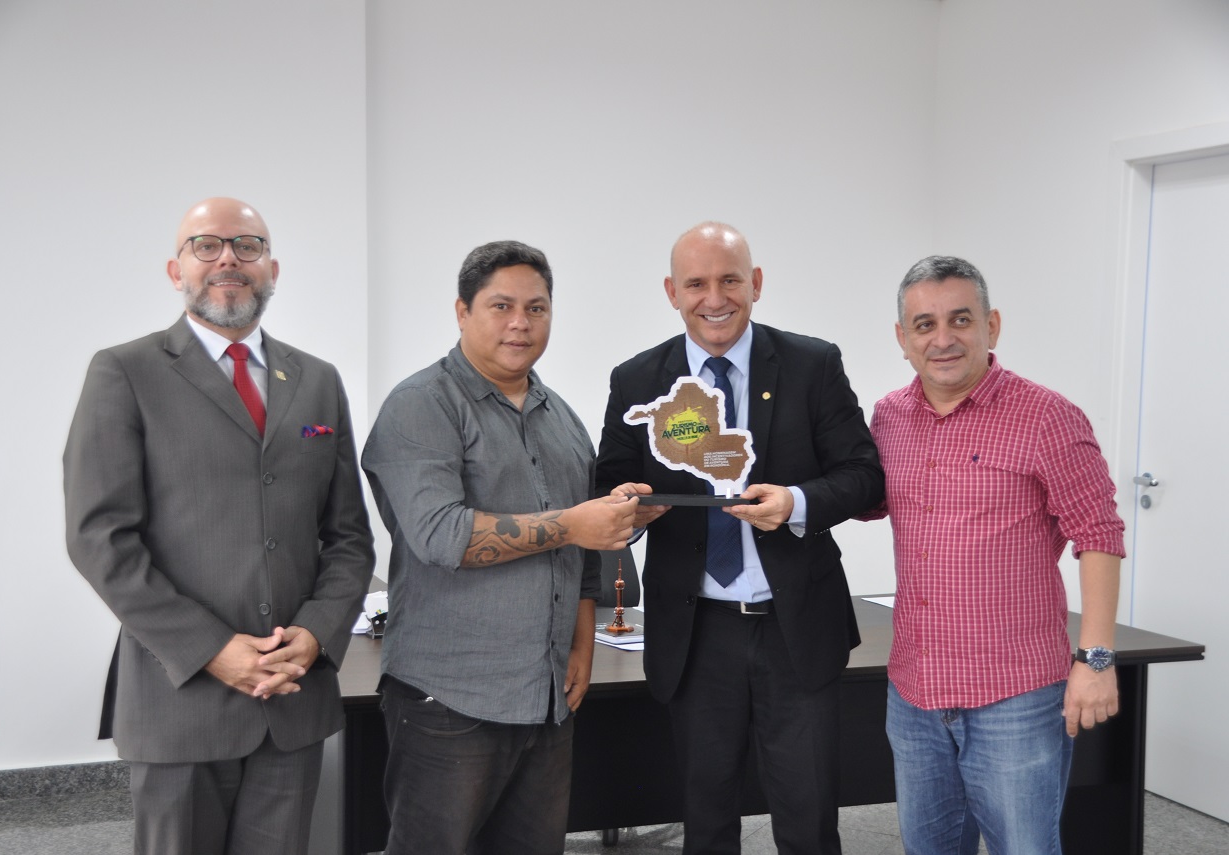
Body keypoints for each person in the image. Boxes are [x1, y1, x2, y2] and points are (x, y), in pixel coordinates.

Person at [63, 197, 375, 855]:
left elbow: (349, 536)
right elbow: (101, 539)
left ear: (272, 269)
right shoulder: (125, 372)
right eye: (206, 244)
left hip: (292, 698)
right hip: (180, 701)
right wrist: (213, 649)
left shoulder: (317, 380)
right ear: (175, 268)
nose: (228, 258)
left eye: (247, 245)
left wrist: (316, 635)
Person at [596, 222, 885, 855]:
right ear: (672, 292)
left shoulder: (812, 364)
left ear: (755, 283)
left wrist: (797, 502)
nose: (714, 298)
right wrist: (629, 508)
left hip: (795, 626)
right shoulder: (638, 379)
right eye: (696, 284)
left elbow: (864, 476)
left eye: (729, 280)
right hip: (695, 633)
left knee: (809, 824)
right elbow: (608, 485)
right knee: (706, 823)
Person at [361, 240, 638, 854]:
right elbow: (442, 535)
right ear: (462, 311)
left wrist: (581, 646)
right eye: (501, 306)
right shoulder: (421, 404)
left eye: (536, 308)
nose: (521, 323)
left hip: (546, 695)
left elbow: (584, 556)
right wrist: (572, 524)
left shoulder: (559, 415)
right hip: (450, 698)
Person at [864, 255, 1125, 855]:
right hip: (915, 693)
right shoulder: (890, 417)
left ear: (992, 325)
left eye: (960, 319)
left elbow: (1099, 534)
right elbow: (867, 499)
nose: (943, 338)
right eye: (925, 324)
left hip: (1016, 698)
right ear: (903, 339)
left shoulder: (1047, 416)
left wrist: (1097, 659)